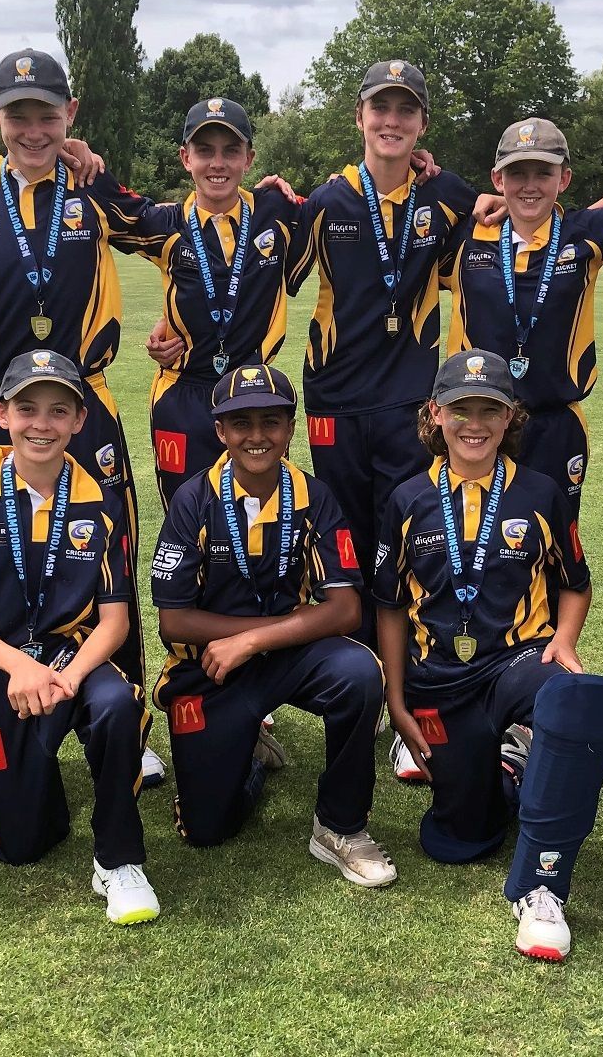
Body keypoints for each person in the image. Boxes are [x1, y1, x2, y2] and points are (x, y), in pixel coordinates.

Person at [0, 48, 160, 785]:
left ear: (71, 116)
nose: (34, 130)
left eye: (48, 116)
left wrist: (278, 203)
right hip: (1, 409)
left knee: (112, 557)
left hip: (86, 406)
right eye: (18, 115)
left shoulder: (93, 188)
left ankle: (126, 722)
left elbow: (180, 232)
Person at [375, 349, 603, 961]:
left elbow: (576, 583)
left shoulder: (540, 492)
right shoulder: (407, 499)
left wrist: (564, 641)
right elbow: (389, 606)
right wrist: (397, 702)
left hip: (517, 661)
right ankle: (508, 769)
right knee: (457, 840)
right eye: (461, 410)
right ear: (436, 414)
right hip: (438, 677)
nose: (475, 424)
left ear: (511, 417)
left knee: (576, 702)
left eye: (491, 410)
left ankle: (541, 886)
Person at [0, 349, 158, 925]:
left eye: (59, 411)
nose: (42, 424)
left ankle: (118, 859)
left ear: (80, 420)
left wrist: (70, 676)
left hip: (73, 658)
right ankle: (33, 786)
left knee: (116, 704)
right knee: (21, 847)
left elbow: (116, 622)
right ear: (2, 415)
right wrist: (21, 667)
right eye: (27, 409)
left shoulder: (101, 501)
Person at [149, 363, 396, 887]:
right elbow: (174, 620)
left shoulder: (314, 496)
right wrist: (247, 639)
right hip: (211, 667)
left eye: (271, 421)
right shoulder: (193, 500)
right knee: (206, 829)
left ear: (290, 428)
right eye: (241, 423)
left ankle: (340, 825)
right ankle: (248, 755)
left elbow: (347, 609)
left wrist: (252, 638)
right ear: (220, 431)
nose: (256, 436)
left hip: (286, 655)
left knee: (358, 672)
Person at [287, 61, 479, 620]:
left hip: (409, 397)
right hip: (336, 396)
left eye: (406, 110)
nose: (391, 121)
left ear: (423, 124)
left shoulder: (445, 197)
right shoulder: (326, 202)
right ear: (360, 117)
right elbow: (269, 277)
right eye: (381, 108)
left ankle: (408, 651)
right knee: (344, 531)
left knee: (408, 527)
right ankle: (355, 655)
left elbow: (511, 224)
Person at [439, 117, 603, 504]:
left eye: (543, 173)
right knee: (474, 530)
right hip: (477, 420)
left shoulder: (586, 233)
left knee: (556, 531)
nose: (529, 185)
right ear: (497, 180)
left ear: (564, 179)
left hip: (556, 426)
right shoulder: (465, 235)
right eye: (517, 173)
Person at [98, 98, 301, 508]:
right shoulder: (165, 223)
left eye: (231, 151)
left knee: (259, 515)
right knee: (186, 515)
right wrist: (79, 152)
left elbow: (344, 202)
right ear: (185, 158)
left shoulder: (277, 212)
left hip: (254, 393)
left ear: (249, 158)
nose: (218, 163)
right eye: (205, 151)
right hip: (182, 395)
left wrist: (414, 166)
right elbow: (103, 200)